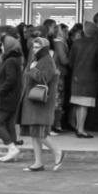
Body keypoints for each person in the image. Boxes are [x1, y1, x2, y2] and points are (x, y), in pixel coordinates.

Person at [20, 36, 65, 171]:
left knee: (40, 132)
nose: (35, 49)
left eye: (38, 47)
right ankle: (38, 162)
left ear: (44, 48)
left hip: (41, 101)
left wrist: (33, 69)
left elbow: (44, 78)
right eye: (33, 47)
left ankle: (58, 151)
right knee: (35, 132)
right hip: (34, 100)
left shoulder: (47, 60)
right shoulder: (38, 59)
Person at [68, 21, 98, 138]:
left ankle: (79, 128)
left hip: (77, 77)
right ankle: (81, 129)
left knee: (79, 104)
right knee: (84, 105)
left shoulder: (76, 43)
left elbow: (70, 62)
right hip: (90, 78)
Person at [0, 35, 24, 163]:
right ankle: (13, 150)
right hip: (13, 97)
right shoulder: (16, 59)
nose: (1, 46)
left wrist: (1, 91)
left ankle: (11, 148)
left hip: (6, 97)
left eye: (3, 44)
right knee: (9, 123)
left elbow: (10, 79)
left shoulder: (10, 60)